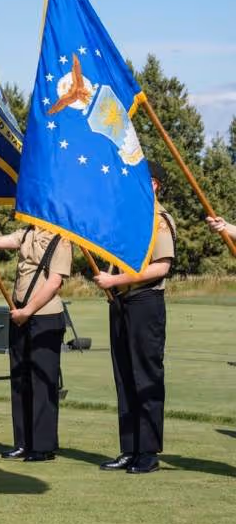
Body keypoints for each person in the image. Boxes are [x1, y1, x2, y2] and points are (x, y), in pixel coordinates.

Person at [0, 218, 73, 463]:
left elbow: (55, 282)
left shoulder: (61, 239)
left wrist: (28, 310)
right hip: (19, 314)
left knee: (42, 381)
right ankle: (23, 442)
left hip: (44, 316)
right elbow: (1, 242)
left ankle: (43, 446)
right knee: (20, 380)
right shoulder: (27, 233)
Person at [94, 161, 175, 474]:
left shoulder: (158, 220)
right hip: (122, 303)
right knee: (124, 377)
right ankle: (129, 448)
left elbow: (162, 265)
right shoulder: (129, 218)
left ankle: (148, 452)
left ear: (154, 184)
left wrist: (114, 281)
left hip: (145, 301)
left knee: (146, 377)